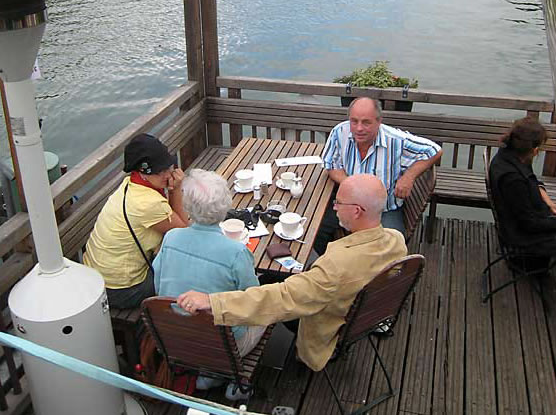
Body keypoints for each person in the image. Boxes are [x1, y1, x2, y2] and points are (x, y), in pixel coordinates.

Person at [176, 174, 407, 372]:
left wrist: (212, 302)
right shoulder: (396, 241)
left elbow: (281, 299)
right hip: (359, 315)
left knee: (268, 282)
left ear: (356, 211)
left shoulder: (335, 267)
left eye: (338, 202)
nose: (334, 207)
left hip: (327, 327)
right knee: (279, 276)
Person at [152, 169, 265, 358]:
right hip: (223, 346)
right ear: (225, 206)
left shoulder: (170, 238)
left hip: (175, 336)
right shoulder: (236, 252)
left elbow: (158, 286)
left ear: (187, 206)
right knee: (269, 305)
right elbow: (253, 300)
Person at [315, 97, 442, 252]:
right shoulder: (339, 132)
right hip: (347, 204)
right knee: (315, 230)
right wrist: (352, 187)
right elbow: (331, 165)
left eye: (366, 122)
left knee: (391, 248)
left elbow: (434, 150)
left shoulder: (395, 140)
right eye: (354, 121)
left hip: (383, 209)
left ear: (379, 121)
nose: (359, 128)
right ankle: (329, 264)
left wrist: (409, 177)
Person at [83, 133, 188, 308]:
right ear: (143, 173)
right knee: (186, 268)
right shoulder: (149, 203)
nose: (168, 174)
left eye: (168, 167)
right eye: (160, 171)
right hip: (121, 290)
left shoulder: (130, 184)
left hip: (97, 277)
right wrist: (176, 190)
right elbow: (184, 234)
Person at [489, 117, 556, 264]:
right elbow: (529, 225)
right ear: (534, 150)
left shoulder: (510, 155)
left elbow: (533, 181)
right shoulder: (513, 179)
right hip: (523, 237)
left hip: (526, 221)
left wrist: (551, 205)